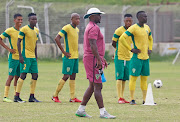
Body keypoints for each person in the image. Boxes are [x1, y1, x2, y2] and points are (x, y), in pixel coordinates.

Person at [75, 8, 116, 119]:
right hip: (92, 59)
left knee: (93, 86)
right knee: (98, 85)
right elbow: (93, 45)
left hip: (94, 58)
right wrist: (98, 60)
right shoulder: (93, 28)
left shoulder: (92, 27)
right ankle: (103, 112)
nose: (100, 17)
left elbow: (95, 45)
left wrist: (101, 59)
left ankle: (81, 110)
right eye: (98, 15)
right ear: (92, 16)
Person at [119, 11, 153, 105]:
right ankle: (132, 99)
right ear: (139, 18)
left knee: (144, 79)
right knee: (133, 78)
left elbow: (150, 38)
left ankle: (145, 99)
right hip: (136, 58)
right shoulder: (133, 28)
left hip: (145, 58)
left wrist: (150, 48)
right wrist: (131, 49)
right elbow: (122, 38)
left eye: (146, 16)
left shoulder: (147, 27)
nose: (146, 18)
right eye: (144, 16)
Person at [51, 13, 81, 103]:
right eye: (76, 19)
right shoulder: (66, 28)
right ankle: (55, 95)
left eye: (79, 19)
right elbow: (57, 38)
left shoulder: (77, 30)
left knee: (73, 76)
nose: (78, 20)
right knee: (66, 75)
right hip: (68, 57)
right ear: (71, 19)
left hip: (75, 56)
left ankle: (72, 97)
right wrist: (63, 51)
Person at [14, 13, 40, 103]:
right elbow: (18, 42)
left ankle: (31, 97)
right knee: (23, 75)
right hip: (25, 55)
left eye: (35, 19)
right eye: (32, 19)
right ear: (29, 20)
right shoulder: (24, 29)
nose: (34, 21)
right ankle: (16, 96)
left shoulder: (36, 31)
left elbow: (35, 44)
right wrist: (20, 56)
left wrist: (36, 57)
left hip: (33, 57)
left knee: (35, 75)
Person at [0, 14, 23, 102]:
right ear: (14, 20)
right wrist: (8, 49)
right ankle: (5, 97)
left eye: (21, 20)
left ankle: (16, 96)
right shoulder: (10, 30)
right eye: (18, 20)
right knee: (11, 77)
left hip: (20, 58)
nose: (20, 21)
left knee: (18, 77)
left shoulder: (22, 31)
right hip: (13, 58)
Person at [112, 14, 133, 104]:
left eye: (130, 21)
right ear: (124, 21)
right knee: (119, 77)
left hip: (128, 57)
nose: (128, 22)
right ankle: (119, 97)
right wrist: (119, 50)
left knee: (124, 78)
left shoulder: (133, 31)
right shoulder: (119, 30)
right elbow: (113, 42)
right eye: (126, 21)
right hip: (119, 57)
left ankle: (122, 97)